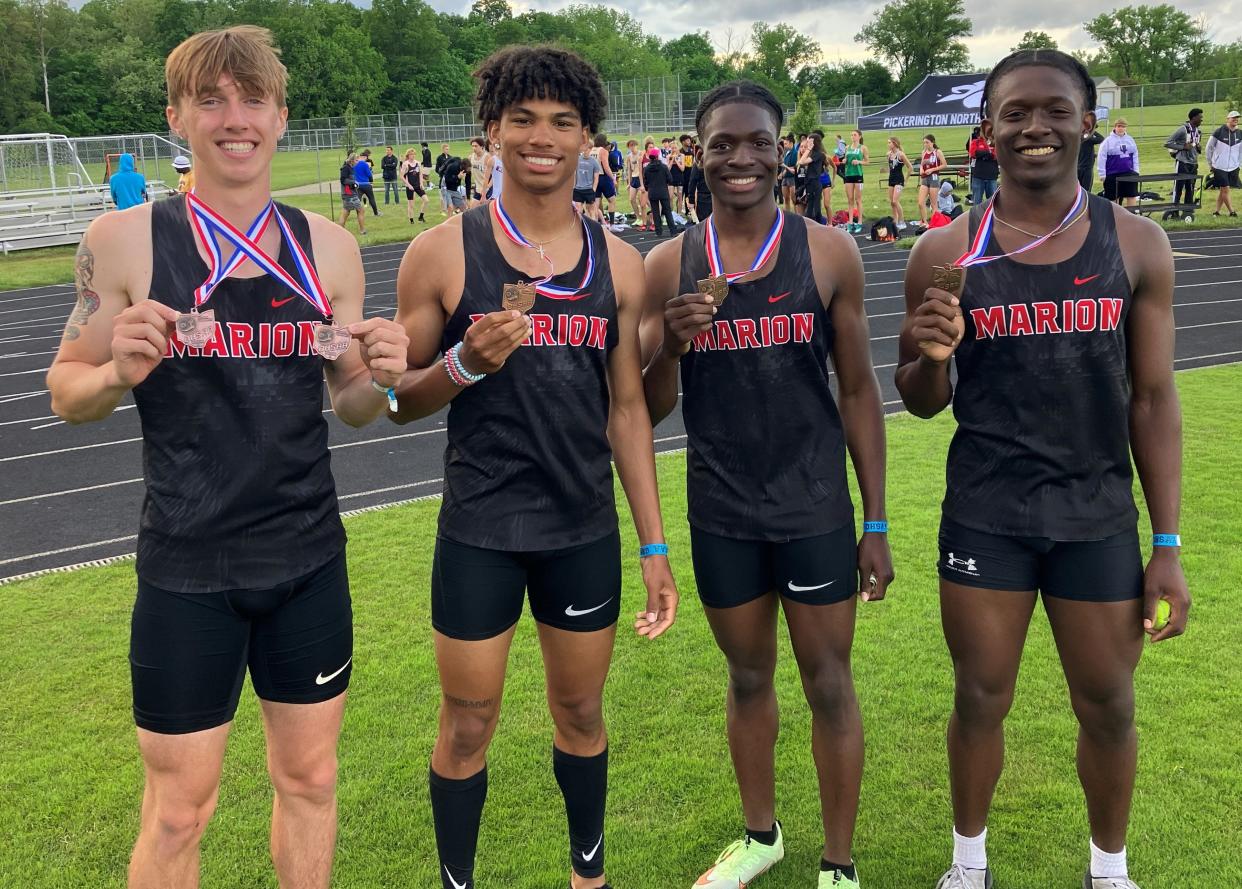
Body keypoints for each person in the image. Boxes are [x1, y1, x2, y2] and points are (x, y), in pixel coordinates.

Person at [46, 25, 411, 889]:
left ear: (282, 117)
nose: (234, 117)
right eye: (211, 98)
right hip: (187, 566)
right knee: (179, 809)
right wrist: (112, 370)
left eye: (253, 99)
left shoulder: (332, 248)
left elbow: (352, 404)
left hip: (308, 559)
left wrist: (386, 375)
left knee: (311, 780)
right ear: (178, 117)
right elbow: (65, 391)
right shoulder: (123, 240)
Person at [895, 48, 1189, 889]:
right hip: (987, 514)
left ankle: (1109, 870)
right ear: (985, 131)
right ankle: (968, 864)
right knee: (981, 698)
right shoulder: (945, 250)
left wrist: (1165, 541)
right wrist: (933, 357)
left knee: (1109, 704)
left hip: (1096, 516)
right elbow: (918, 396)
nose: (1035, 127)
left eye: (1054, 109)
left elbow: (1154, 400)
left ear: (1086, 121)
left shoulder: (1136, 242)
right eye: (1014, 113)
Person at [390, 44, 679, 889]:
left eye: (562, 121)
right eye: (523, 120)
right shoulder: (443, 254)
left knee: (582, 711)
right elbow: (396, 398)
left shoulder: (620, 263)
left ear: (588, 136)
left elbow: (628, 410)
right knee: (469, 720)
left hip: (580, 527)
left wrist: (654, 545)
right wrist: (466, 365)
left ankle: (589, 876)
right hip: (480, 528)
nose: (542, 137)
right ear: (491, 130)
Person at [640, 80, 893, 889]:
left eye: (757, 142)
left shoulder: (827, 252)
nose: (741, 158)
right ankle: (761, 836)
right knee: (747, 678)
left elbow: (859, 391)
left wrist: (877, 519)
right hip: (721, 509)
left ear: (783, 151)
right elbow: (647, 405)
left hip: (814, 504)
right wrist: (670, 348)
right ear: (698, 152)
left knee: (829, 680)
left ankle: (840, 864)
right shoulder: (665, 265)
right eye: (723, 144)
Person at [1164, 108, 1203, 214]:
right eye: (1200, 117)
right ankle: (1174, 211)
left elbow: (1195, 146)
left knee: (1190, 188)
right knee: (1178, 188)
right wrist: (1182, 147)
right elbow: (1167, 143)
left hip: (1193, 164)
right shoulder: (1183, 129)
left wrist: (1199, 148)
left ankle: (1187, 211)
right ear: (1193, 117)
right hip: (1182, 162)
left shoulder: (1199, 132)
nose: (1202, 120)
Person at [1205, 110, 1241, 217]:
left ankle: (1216, 211)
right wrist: (1210, 163)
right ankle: (1232, 212)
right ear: (1227, 119)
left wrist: (1239, 164)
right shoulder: (1219, 131)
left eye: (1237, 117)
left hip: (1234, 167)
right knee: (1226, 189)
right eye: (1233, 117)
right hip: (1219, 166)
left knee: (1223, 190)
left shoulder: (1240, 133)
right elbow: (1209, 148)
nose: (1235, 119)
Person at [1098, 118, 1140, 207]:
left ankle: (1131, 217)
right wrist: (1102, 174)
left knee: (1131, 195)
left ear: (1126, 128)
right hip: (1112, 174)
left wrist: (1136, 170)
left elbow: (1135, 155)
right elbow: (1101, 157)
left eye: (1123, 126)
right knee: (1113, 197)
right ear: (1115, 127)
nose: (1121, 128)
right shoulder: (1108, 141)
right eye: (1119, 126)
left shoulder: (1130, 140)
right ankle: (1115, 217)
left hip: (1128, 172)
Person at [643, 147, 677, 236]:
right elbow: (670, 179)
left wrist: (648, 188)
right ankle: (672, 231)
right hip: (663, 191)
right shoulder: (663, 167)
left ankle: (658, 231)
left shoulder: (647, 168)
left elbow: (645, 181)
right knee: (667, 211)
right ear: (658, 156)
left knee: (655, 212)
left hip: (652, 192)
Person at [841, 130, 868, 233]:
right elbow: (845, 159)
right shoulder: (847, 147)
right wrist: (844, 160)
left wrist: (859, 162)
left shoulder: (863, 148)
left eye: (855, 135)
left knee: (858, 199)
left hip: (858, 175)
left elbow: (867, 161)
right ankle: (850, 222)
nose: (853, 136)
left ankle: (860, 222)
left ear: (859, 136)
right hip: (848, 175)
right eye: (851, 135)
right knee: (850, 199)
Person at [917, 135, 946, 228]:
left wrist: (933, 169)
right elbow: (922, 163)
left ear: (932, 142)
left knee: (934, 204)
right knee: (920, 202)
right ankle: (924, 222)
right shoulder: (924, 152)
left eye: (927, 142)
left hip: (934, 178)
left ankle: (934, 224)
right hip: (925, 178)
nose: (925, 144)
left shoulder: (937, 152)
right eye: (924, 142)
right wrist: (921, 169)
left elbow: (944, 165)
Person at [798, 133, 828, 224]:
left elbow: (802, 162)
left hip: (815, 183)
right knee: (810, 207)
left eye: (809, 141)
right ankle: (811, 226)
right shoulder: (813, 153)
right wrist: (808, 149)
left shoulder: (818, 154)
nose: (807, 143)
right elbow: (800, 161)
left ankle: (818, 226)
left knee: (815, 208)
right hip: (810, 183)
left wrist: (808, 149)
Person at [967, 128, 998, 208]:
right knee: (977, 202)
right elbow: (973, 153)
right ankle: (976, 219)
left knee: (992, 202)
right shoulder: (975, 142)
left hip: (991, 176)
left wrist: (981, 154)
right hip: (978, 176)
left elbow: (996, 155)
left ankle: (991, 219)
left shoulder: (995, 142)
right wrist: (988, 153)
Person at [886, 137, 912, 231]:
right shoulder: (888, 154)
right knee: (892, 203)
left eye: (889, 143)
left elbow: (910, 167)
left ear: (895, 143)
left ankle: (902, 222)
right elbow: (890, 167)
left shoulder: (901, 154)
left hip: (899, 179)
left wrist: (906, 180)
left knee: (895, 201)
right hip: (891, 179)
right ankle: (895, 221)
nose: (888, 144)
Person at [624, 139, 651, 230]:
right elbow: (629, 170)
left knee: (643, 201)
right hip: (633, 179)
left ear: (636, 145)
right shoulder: (629, 156)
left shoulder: (641, 153)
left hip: (641, 178)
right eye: (630, 146)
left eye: (633, 145)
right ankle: (638, 217)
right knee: (631, 199)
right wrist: (629, 182)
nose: (632, 147)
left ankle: (655, 214)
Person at [574, 140, 603, 220]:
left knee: (591, 210)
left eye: (587, 149)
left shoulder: (594, 161)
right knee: (578, 210)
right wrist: (574, 186)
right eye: (584, 148)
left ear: (590, 149)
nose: (585, 151)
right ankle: (580, 229)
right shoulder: (577, 159)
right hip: (578, 189)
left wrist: (593, 189)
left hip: (588, 190)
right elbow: (574, 173)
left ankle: (593, 227)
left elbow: (596, 177)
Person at [338, 153, 367, 234]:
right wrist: (354, 182)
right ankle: (362, 230)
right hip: (349, 194)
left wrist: (354, 184)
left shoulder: (351, 168)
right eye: (356, 160)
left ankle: (339, 231)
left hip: (350, 193)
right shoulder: (346, 168)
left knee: (346, 212)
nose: (357, 162)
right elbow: (343, 180)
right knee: (361, 210)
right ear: (352, 160)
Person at [593, 133, 618, 223]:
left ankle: (595, 224)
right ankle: (611, 224)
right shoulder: (603, 151)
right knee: (612, 200)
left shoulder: (591, 150)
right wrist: (613, 178)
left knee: (596, 203)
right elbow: (606, 167)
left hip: (593, 178)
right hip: (603, 177)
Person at [684, 144, 711, 222]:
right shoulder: (717, 162)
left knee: (704, 224)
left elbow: (692, 182)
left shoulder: (698, 164)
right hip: (715, 196)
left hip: (704, 197)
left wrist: (691, 200)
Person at [401, 147, 427, 223]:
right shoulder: (405, 164)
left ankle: (421, 217)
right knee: (411, 205)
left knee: (426, 200)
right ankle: (411, 220)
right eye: (411, 154)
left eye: (413, 154)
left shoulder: (418, 163)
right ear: (408, 155)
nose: (412, 155)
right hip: (410, 186)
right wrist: (408, 185)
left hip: (418, 185)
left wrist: (421, 183)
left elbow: (420, 174)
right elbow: (401, 176)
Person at [1079, 125, 1105, 192]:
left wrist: (1093, 155)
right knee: (1087, 191)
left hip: (1077, 167)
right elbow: (1101, 138)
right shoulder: (1088, 139)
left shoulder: (1078, 137)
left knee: (1078, 190)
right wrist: (1092, 132)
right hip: (1087, 168)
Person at [354, 148, 379, 215]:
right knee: (371, 198)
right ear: (365, 157)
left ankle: (358, 213)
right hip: (366, 184)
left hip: (358, 185)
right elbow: (369, 175)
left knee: (358, 199)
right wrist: (371, 182)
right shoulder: (365, 164)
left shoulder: (354, 164)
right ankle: (376, 213)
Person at [468, 137, 491, 208]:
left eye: (476, 146)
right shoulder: (470, 157)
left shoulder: (487, 157)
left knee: (486, 212)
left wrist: (487, 188)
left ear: (482, 146)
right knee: (472, 209)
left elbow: (494, 176)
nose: (474, 148)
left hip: (488, 189)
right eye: (472, 146)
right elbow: (468, 172)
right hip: (478, 188)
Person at [781, 133, 798, 212]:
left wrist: (785, 169)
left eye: (785, 144)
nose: (784, 145)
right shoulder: (786, 152)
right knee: (786, 198)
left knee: (793, 199)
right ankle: (787, 215)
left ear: (791, 143)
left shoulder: (795, 153)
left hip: (792, 178)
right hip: (785, 177)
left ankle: (796, 215)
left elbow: (794, 166)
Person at [435, 142, 453, 215]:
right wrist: (442, 174)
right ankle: (442, 210)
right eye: (446, 149)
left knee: (450, 195)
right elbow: (437, 169)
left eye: (448, 149)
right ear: (443, 149)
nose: (447, 150)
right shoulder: (439, 158)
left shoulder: (451, 157)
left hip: (449, 179)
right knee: (442, 196)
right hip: (443, 178)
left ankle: (450, 208)